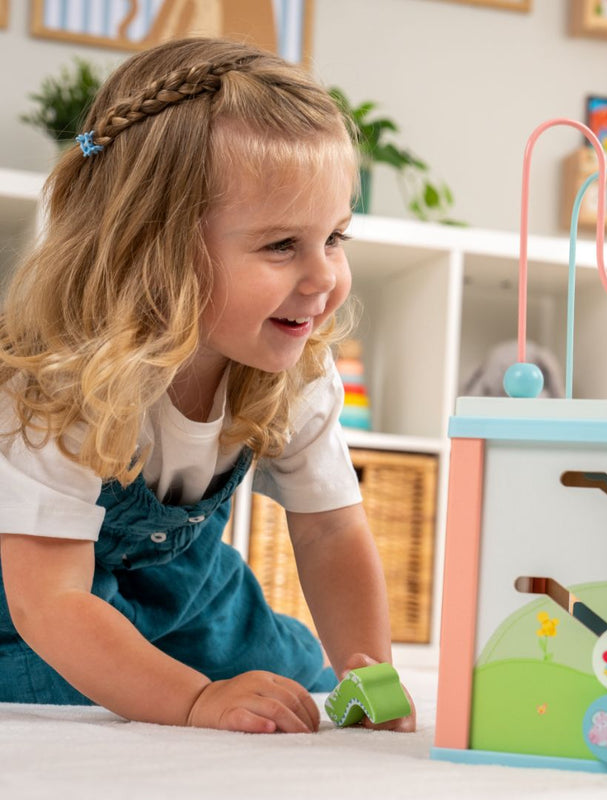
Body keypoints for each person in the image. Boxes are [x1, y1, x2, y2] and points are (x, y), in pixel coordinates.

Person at [0, 37, 415, 734]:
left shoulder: (294, 370)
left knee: (296, 674)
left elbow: (331, 530)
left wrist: (368, 673)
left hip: (191, 596)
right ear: (156, 251)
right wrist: (193, 702)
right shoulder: (60, 384)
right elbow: (51, 604)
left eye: (335, 237)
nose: (324, 280)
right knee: (62, 700)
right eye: (283, 245)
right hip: (35, 609)